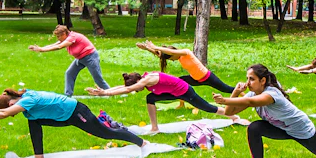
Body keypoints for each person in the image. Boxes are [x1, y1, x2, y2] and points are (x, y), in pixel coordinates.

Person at [0, 88, 149, 158]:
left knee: (106, 133)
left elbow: (2, 113)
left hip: (76, 112)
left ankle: (142, 143)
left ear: (11, 103)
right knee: (33, 120)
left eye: (11, 108)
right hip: (62, 116)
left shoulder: (27, 100)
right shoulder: (18, 97)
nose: (13, 111)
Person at [86, 71, 237, 135]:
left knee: (207, 107)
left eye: (136, 87)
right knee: (150, 98)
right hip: (173, 92)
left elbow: (128, 89)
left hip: (185, 91)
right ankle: (154, 127)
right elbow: (125, 87)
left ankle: (232, 115)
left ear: (138, 81)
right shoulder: (142, 80)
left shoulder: (148, 80)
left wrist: (105, 93)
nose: (137, 90)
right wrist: (105, 91)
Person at [29, 25, 109, 97]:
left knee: (97, 78)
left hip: (90, 57)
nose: (58, 38)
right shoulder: (66, 38)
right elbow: (55, 44)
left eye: (58, 36)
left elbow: (59, 47)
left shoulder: (72, 37)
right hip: (80, 58)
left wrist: (42, 50)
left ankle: (109, 93)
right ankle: (68, 95)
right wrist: (41, 48)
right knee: (69, 73)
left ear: (64, 34)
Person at [136, 40, 235, 93]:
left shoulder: (185, 52)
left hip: (207, 77)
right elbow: (161, 55)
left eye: (172, 59)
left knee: (227, 89)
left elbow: (171, 52)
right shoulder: (179, 58)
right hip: (195, 79)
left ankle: (241, 93)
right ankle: (182, 103)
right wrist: (147, 49)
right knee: (180, 83)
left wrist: (156, 47)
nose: (173, 60)